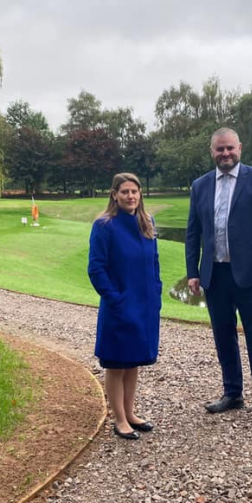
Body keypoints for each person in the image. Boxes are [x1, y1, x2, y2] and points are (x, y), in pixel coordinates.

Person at [185, 127, 252, 430]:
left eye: (230, 148)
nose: (225, 154)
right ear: (212, 151)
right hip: (216, 276)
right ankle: (233, 393)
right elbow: (193, 233)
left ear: (239, 148)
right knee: (223, 338)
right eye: (219, 150)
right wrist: (193, 272)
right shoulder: (200, 186)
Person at [88, 173, 162, 440]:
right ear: (114, 195)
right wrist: (114, 298)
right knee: (117, 363)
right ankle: (119, 419)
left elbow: (154, 261)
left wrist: (156, 290)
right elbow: (96, 268)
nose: (131, 196)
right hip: (119, 306)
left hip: (145, 305)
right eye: (125, 192)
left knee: (133, 362)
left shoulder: (146, 222)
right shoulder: (104, 225)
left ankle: (130, 413)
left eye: (135, 191)